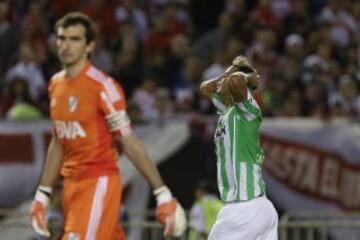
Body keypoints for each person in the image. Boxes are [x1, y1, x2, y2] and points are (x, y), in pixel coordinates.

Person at [28, 12, 186, 240]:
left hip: (98, 183)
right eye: (62, 38)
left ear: (89, 45)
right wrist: (43, 194)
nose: (66, 45)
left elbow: (128, 140)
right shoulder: (55, 85)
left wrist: (161, 192)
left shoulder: (103, 87)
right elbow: (58, 140)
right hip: (71, 187)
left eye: (75, 39)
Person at [200, 55, 278, 240]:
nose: (222, 83)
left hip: (245, 207)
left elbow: (235, 82)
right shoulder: (225, 111)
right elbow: (205, 88)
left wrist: (246, 77)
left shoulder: (248, 113)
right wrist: (232, 68)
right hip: (254, 207)